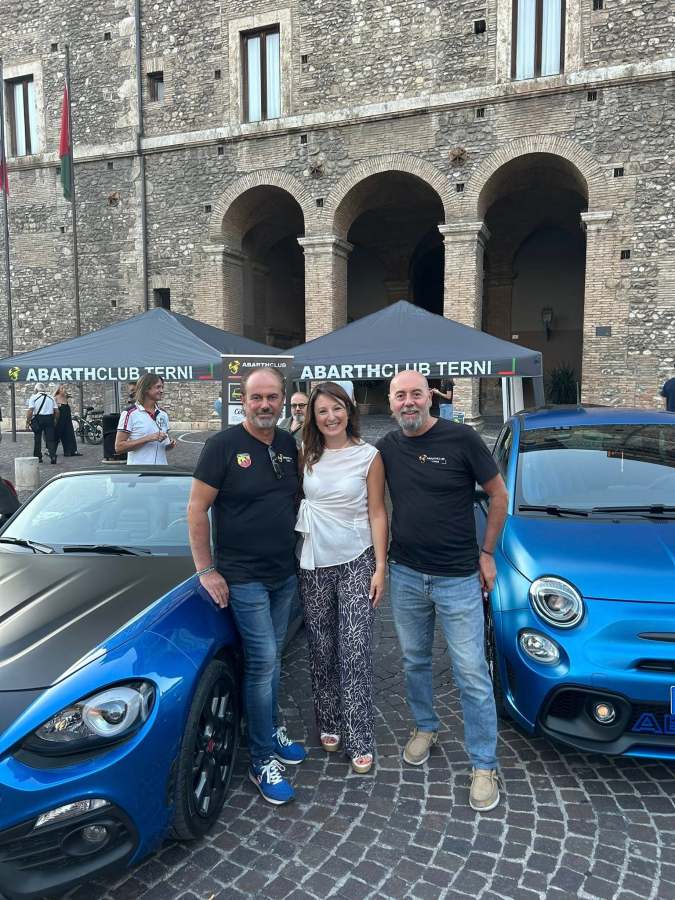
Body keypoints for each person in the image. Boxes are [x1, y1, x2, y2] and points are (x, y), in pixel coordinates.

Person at [376, 370, 508, 812]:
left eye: (416, 394)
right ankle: (425, 726)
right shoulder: (386, 449)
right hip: (408, 574)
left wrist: (487, 552)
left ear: (429, 397)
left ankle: (484, 764)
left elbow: (499, 495)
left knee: (471, 671)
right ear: (390, 402)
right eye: (400, 396)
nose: (408, 402)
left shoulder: (462, 439)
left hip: (457, 577)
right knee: (414, 660)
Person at [187, 366, 306, 806]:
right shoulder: (222, 446)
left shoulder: (288, 444)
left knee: (271, 662)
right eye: (256, 398)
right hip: (244, 577)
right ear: (243, 400)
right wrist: (206, 570)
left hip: (283, 574)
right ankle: (259, 760)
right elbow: (197, 510)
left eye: (272, 397)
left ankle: (270, 726)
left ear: (282, 399)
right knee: (265, 661)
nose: (264, 405)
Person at [296, 382, 388, 775]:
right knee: (320, 646)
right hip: (313, 559)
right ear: (313, 418)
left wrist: (381, 566)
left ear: (349, 411)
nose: (330, 417)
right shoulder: (306, 455)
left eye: (336, 409)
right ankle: (329, 720)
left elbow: (378, 512)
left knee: (354, 649)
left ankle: (360, 734)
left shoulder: (369, 456)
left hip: (356, 558)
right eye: (322, 412)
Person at [115, 373, 176, 464]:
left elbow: (161, 446)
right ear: (146, 389)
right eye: (158, 387)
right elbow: (119, 447)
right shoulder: (129, 414)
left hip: (162, 471)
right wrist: (148, 438)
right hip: (139, 474)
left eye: (162, 387)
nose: (162, 390)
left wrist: (169, 445)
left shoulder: (163, 414)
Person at [25, 382, 58, 464]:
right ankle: (53, 456)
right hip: (49, 418)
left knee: (37, 438)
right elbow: (57, 411)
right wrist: (55, 420)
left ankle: (38, 457)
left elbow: (30, 411)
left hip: (38, 419)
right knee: (50, 439)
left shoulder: (33, 397)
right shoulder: (51, 397)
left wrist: (27, 422)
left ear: (36, 389)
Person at [53, 385, 82, 457]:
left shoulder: (65, 397)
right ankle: (51, 451)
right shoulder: (55, 398)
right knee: (57, 434)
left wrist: (68, 395)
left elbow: (70, 397)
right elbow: (54, 410)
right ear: (58, 390)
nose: (64, 389)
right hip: (60, 419)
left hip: (67, 419)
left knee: (69, 433)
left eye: (64, 388)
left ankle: (71, 451)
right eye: (62, 388)